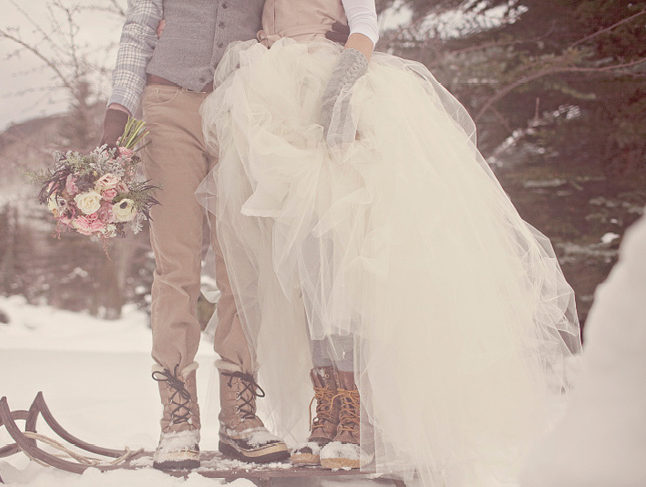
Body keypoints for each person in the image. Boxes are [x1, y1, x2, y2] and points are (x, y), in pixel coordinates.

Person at [197, 0, 582, 485]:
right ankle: (329, 408)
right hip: (274, 101)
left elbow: (365, 22)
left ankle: (356, 414)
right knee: (307, 271)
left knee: (342, 264)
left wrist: (342, 88)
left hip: (332, 90)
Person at [100, 0, 291, 470]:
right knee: (177, 265)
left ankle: (239, 417)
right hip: (168, 108)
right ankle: (178, 419)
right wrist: (118, 110)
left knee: (243, 267)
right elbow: (139, 31)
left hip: (241, 111)